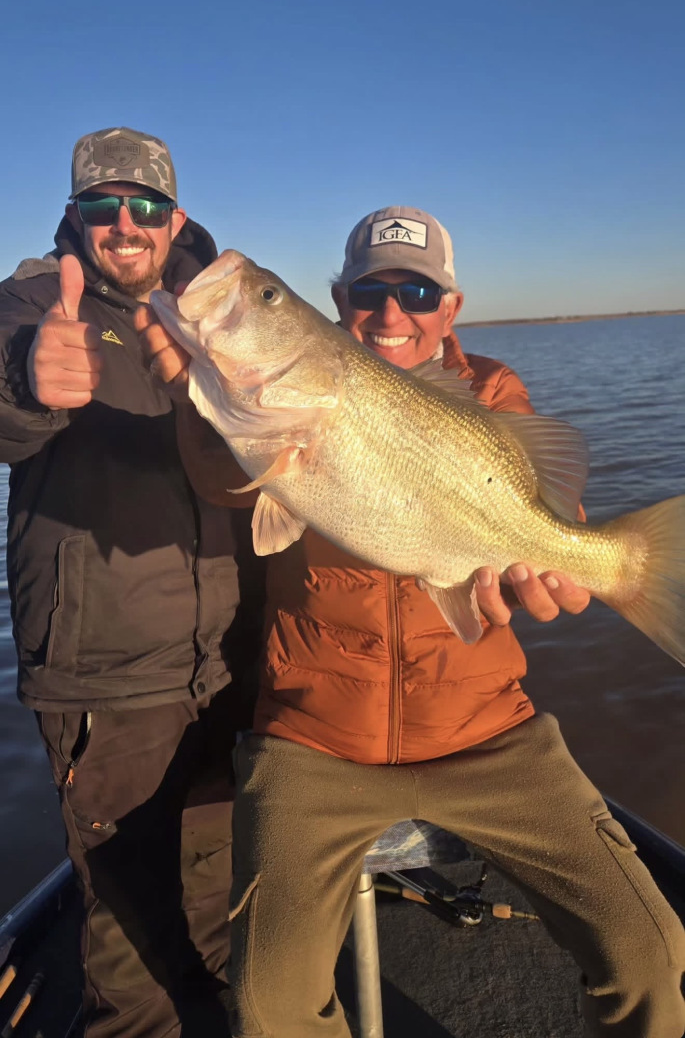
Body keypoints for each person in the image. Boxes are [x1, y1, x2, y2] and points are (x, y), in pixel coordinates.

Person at [139, 206, 685, 1038]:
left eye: (419, 292)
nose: (392, 312)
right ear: (338, 302)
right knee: (268, 1005)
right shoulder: (260, 403)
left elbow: (546, 502)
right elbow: (221, 478)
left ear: (450, 306)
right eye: (369, 291)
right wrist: (195, 391)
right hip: (313, 737)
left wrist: (564, 557)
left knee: (649, 953)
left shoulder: (488, 388)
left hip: (485, 729)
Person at [0, 127, 249, 1038]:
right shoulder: (35, 300)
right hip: (106, 679)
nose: (126, 224)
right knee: (130, 940)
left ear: (174, 217)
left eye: (145, 205)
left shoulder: (221, 307)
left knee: (214, 890)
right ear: (76, 216)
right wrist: (25, 381)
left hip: (228, 662)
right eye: (103, 207)